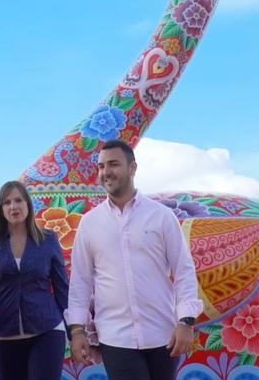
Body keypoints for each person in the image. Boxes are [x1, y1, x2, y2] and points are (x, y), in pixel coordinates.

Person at [66, 139, 202, 380]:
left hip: (163, 333)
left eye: (114, 164)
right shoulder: (90, 223)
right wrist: (77, 330)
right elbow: (81, 282)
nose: (106, 172)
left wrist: (186, 321)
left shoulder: (161, 216)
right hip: (115, 336)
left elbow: (183, 270)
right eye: (101, 166)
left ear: (133, 168)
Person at [0, 180, 69, 380]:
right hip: (3, 334)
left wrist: (73, 330)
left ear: (28, 205)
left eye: (18, 200)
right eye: (7, 202)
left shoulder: (47, 239)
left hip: (47, 330)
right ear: (0, 209)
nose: (13, 206)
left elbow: (62, 288)